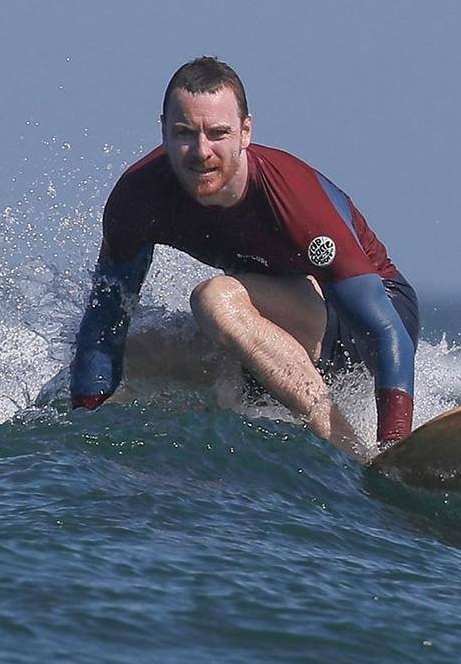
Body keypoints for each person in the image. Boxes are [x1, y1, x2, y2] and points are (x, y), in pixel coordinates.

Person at [69, 57, 419, 459]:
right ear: (163, 130)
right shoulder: (137, 199)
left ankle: (347, 447)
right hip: (269, 340)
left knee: (215, 299)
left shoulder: (293, 197)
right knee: (129, 354)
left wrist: (395, 444)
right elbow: (104, 322)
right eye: (184, 133)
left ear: (245, 132)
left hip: (366, 326)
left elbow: (386, 330)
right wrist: (83, 440)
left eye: (218, 133)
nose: (201, 152)